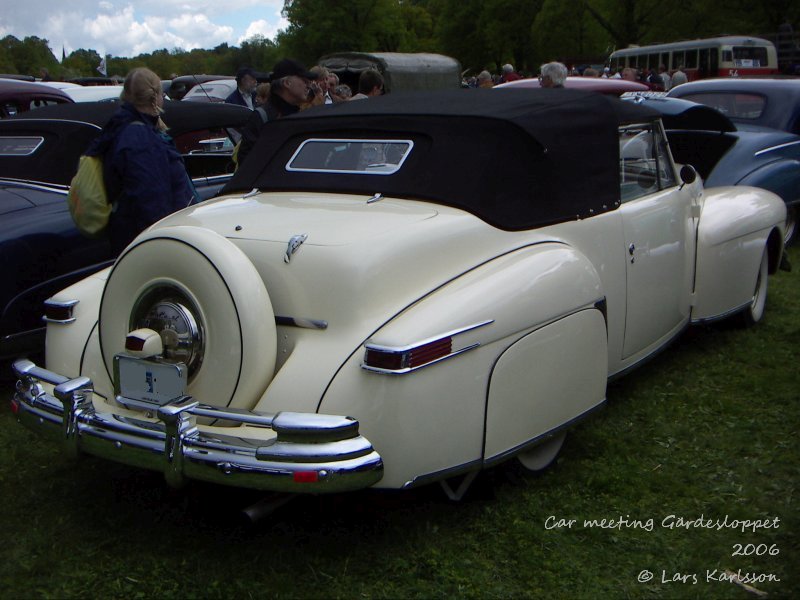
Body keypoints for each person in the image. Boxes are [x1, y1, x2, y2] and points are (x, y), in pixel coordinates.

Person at [84, 67, 196, 253]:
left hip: (129, 234)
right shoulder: (140, 138)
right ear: (156, 96)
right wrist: (165, 242)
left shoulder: (120, 127)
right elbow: (151, 200)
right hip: (149, 240)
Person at [236, 58, 319, 168]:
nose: (308, 85)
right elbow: (247, 164)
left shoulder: (300, 113)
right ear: (287, 83)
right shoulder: (262, 117)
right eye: (304, 80)